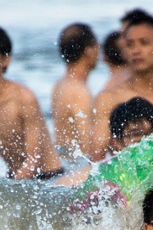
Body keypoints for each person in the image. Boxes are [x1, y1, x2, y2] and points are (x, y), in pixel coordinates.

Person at [0, 24, 64, 180]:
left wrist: (11, 192)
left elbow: (33, 160)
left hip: (50, 179)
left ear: (5, 60)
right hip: (14, 179)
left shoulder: (23, 98)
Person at [91, 13, 153, 161]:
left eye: (144, 43)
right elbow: (96, 161)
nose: (136, 50)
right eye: (130, 45)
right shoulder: (108, 99)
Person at [55, 97, 153, 187]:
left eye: (151, 135)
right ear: (117, 142)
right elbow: (60, 187)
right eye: (136, 136)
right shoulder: (100, 174)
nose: (145, 143)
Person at [51, 23, 99, 157]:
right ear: (88, 51)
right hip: (75, 165)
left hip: (64, 159)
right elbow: (86, 146)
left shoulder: (59, 85)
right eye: (96, 46)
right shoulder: (79, 92)